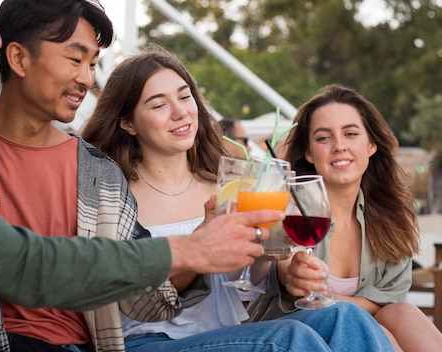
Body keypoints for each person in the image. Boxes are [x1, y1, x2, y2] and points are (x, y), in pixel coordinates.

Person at [0, 0, 283, 350]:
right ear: (19, 59)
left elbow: (144, 302)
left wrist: (198, 249)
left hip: (77, 346)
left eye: (92, 63)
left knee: (338, 321)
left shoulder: (99, 172)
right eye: (75, 60)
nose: (88, 78)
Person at [81, 48, 395, 352]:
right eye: (158, 104)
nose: (180, 112)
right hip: (147, 341)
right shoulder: (113, 194)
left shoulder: (230, 183)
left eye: (185, 95)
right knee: (289, 339)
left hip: (227, 336)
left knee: (347, 317)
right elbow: (129, 294)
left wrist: (281, 259)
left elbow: (257, 271)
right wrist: (198, 245)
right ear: (128, 122)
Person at [248, 84, 442, 351]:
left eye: (351, 133)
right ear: (309, 152)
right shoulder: (289, 204)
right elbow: (284, 264)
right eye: (323, 138)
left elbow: (387, 299)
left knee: (402, 313)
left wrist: (330, 297)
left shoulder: (392, 216)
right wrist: (293, 274)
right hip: (291, 333)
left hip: (357, 330)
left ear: (371, 144)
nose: (339, 146)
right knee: (379, 333)